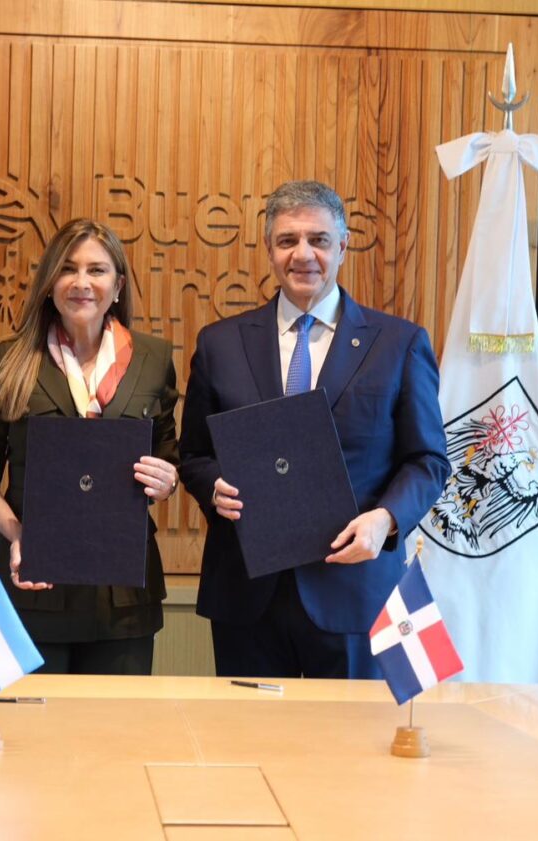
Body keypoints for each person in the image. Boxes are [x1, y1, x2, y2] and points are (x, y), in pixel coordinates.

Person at [179, 180, 451, 679]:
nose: (303, 254)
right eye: (287, 240)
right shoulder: (220, 343)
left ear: (343, 246)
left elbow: (428, 460)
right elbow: (194, 454)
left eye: (318, 240)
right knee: (250, 729)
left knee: (350, 732)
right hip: (247, 594)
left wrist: (386, 520)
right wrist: (212, 487)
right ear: (269, 249)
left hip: (356, 592)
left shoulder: (399, 343)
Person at [0, 218, 179, 675]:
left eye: (96, 270)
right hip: (34, 581)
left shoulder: (154, 359)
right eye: (67, 269)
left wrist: (167, 480)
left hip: (124, 596)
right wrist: (20, 535)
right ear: (48, 283)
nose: (81, 282)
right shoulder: (8, 358)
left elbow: (167, 456)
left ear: (117, 286)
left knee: (115, 721)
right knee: (32, 720)